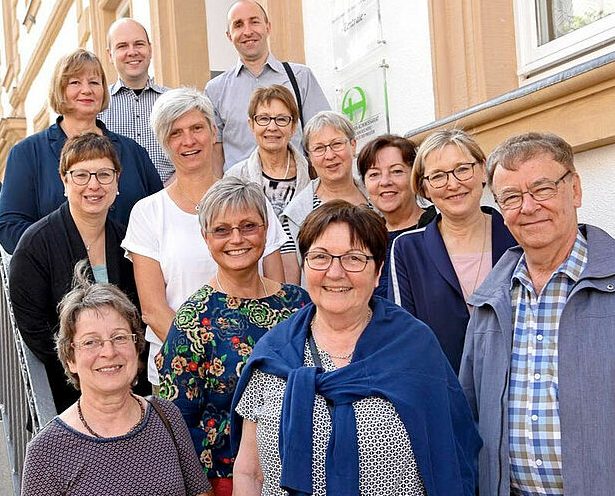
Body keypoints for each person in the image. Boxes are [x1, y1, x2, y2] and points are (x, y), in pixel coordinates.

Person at [231, 201, 481, 496]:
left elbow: (451, 458)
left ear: (378, 272)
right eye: (320, 257)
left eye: (353, 258)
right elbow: (250, 471)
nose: (335, 272)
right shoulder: (274, 352)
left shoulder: (415, 349)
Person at [460, 132, 615, 496]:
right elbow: (469, 413)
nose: (528, 207)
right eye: (511, 197)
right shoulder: (490, 300)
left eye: (542, 189)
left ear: (574, 190)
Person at [122, 87, 286, 391]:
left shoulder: (252, 201)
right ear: (164, 144)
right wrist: (212, 358)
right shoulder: (148, 213)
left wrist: (252, 355)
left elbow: (276, 286)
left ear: (213, 132)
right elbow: (154, 309)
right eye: (176, 133)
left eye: (197, 128)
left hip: (262, 367)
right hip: (182, 371)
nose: (188, 141)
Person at [158, 177, 309, 496]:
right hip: (225, 481)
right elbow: (177, 423)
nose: (236, 239)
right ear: (205, 237)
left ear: (266, 229)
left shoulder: (299, 305)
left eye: (248, 226)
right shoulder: (194, 318)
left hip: (305, 472)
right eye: (222, 230)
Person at [20, 261, 211, 496]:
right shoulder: (47, 452)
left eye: (119, 337)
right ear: (71, 358)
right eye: (91, 342)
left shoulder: (166, 417)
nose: (109, 352)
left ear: (136, 345)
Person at [9, 133, 148, 413]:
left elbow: (141, 317)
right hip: (68, 394)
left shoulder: (129, 243)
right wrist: (90, 373)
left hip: (129, 387)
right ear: (65, 181)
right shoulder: (35, 245)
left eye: (104, 174)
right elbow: (36, 331)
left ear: (117, 181)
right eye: (81, 175)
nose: (94, 185)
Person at [0, 48, 162, 255]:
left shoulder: (133, 152)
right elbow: (9, 226)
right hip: (59, 279)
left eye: (94, 82)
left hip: (129, 276)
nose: (86, 90)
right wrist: (61, 252)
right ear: (59, 89)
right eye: (75, 82)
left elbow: (159, 215)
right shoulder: (27, 153)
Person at [388, 129, 515, 373]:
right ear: (424, 188)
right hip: (443, 392)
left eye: (463, 169)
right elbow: (404, 338)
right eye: (437, 176)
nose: (453, 184)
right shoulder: (408, 249)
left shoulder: (516, 236)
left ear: (482, 170)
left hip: (516, 392)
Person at [205, 0, 330, 174]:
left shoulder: (300, 77)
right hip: (240, 194)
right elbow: (216, 155)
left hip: (296, 191)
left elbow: (322, 135)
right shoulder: (215, 90)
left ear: (267, 27)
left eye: (254, 22)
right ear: (229, 35)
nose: (247, 31)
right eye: (238, 25)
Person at [281, 110, 369, 284]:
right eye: (319, 148)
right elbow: (294, 287)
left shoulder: (378, 200)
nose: (330, 155)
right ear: (310, 157)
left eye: (336, 144)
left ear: (353, 145)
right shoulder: (294, 217)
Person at [357, 134, 436, 297]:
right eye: (374, 174)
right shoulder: (364, 238)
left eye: (396, 171)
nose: (385, 181)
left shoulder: (438, 227)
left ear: (415, 177)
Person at [99, 18, 175, 184]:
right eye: (122, 46)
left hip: (170, 201)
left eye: (139, 44)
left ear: (150, 49)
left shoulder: (174, 102)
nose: (132, 52)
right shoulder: (98, 106)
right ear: (110, 55)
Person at [225, 84, 310, 217]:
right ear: (251, 125)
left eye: (281, 119)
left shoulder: (314, 171)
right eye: (264, 118)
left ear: (293, 127)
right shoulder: (235, 177)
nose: (272, 127)